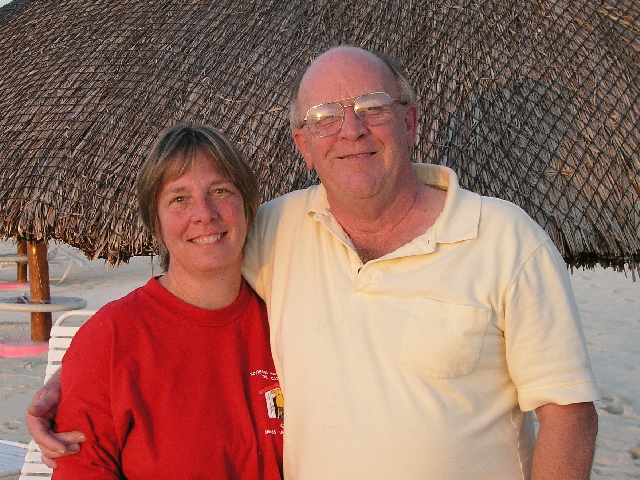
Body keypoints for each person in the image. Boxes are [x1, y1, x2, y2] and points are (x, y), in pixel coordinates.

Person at [28, 46, 598, 479]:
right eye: (326, 117)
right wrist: (77, 377)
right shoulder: (281, 230)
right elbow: (185, 293)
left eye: (372, 108)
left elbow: (568, 410)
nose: (351, 130)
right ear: (304, 144)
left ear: (411, 122)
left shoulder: (505, 239)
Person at [45, 124, 283, 479]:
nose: (204, 213)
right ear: (155, 224)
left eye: (220, 191)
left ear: (248, 208)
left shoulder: (287, 317)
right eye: (179, 199)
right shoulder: (111, 338)